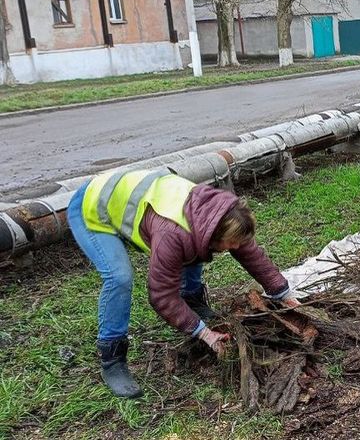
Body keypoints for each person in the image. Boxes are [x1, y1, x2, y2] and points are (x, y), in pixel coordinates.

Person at [66, 169, 298, 398]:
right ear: (216, 233)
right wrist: (205, 334)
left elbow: (250, 254)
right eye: (231, 243)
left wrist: (284, 294)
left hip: (135, 202)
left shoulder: (221, 215)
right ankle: (112, 357)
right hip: (92, 208)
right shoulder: (171, 233)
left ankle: (192, 304)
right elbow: (161, 295)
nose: (236, 248)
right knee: (119, 277)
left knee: (195, 246)